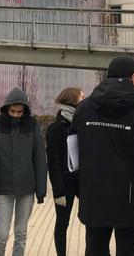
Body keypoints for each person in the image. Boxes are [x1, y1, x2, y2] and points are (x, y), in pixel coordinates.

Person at [70, 56, 134, 256]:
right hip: (131, 197)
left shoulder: (84, 108)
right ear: (133, 77)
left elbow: (73, 150)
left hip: (94, 195)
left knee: (95, 249)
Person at [0, 88, 47, 256]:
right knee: (2, 234)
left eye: (20, 111)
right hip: (3, 189)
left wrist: (41, 191)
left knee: (21, 233)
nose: (17, 115)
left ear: (25, 110)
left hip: (27, 189)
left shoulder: (32, 125)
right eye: (13, 111)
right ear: (7, 108)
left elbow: (39, 157)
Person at [46, 87, 85, 256]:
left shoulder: (83, 123)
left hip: (83, 181)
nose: (85, 100)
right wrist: (58, 192)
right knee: (62, 222)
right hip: (65, 184)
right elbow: (53, 162)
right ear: (72, 100)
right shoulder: (56, 128)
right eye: (82, 97)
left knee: (92, 220)